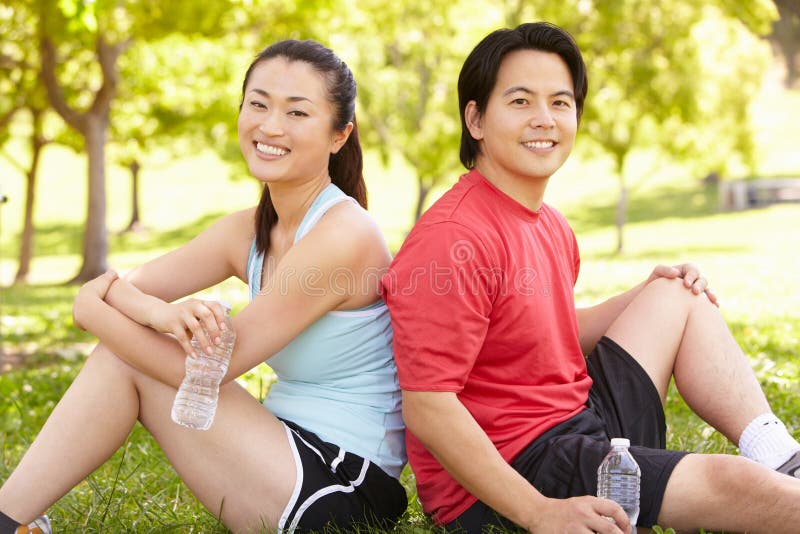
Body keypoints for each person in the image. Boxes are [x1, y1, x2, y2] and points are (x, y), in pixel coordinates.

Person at [382, 22, 800, 534]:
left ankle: (781, 455)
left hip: (580, 421)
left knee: (677, 293)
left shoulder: (549, 223)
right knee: (732, 486)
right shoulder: (451, 239)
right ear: (475, 119)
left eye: (560, 102)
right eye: (519, 102)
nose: (544, 119)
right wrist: (538, 512)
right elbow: (428, 406)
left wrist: (647, 293)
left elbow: (545, 333)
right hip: (515, 472)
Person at [0, 39, 407, 534]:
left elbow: (201, 371)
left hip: (342, 486)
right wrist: (157, 314)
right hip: (281, 451)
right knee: (127, 349)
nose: (270, 126)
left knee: (123, 356)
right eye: (258, 104)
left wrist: (93, 311)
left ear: (339, 135)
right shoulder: (249, 230)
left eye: (297, 112)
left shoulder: (344, 236)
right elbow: (122, 288)